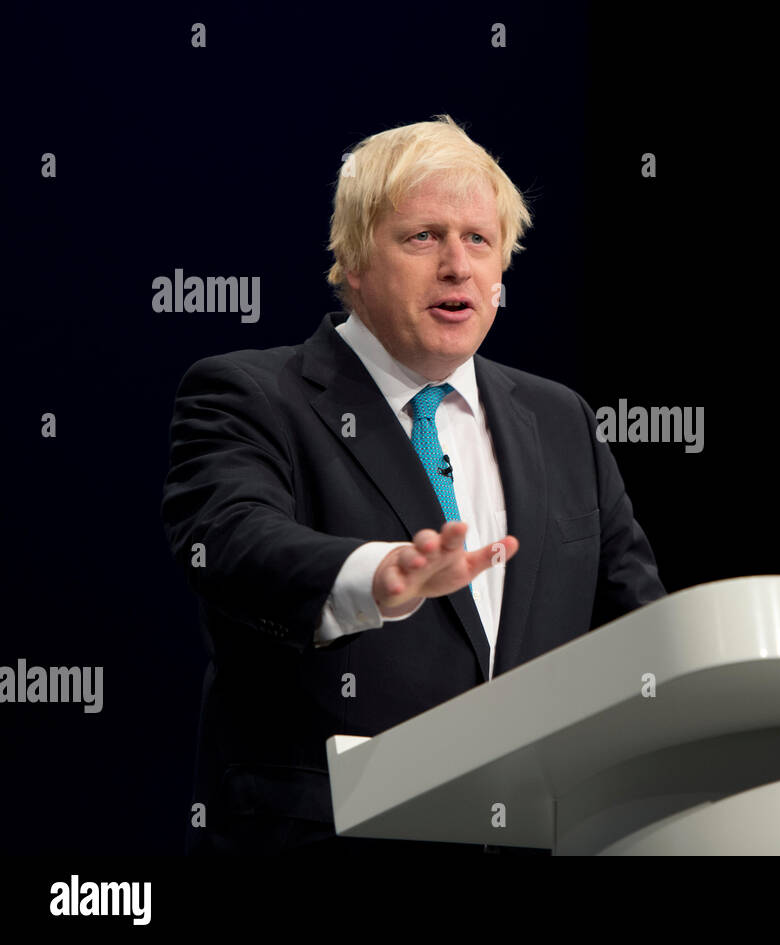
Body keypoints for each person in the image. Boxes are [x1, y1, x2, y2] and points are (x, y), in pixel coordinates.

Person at [161, 115, 666, 854]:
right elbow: (233, 541)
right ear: (353, 258)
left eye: (479, 240)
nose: (458, 266)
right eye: (424, 237)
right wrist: (373, 575)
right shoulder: (249, 394)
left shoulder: (560, 418)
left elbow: (637, 623)